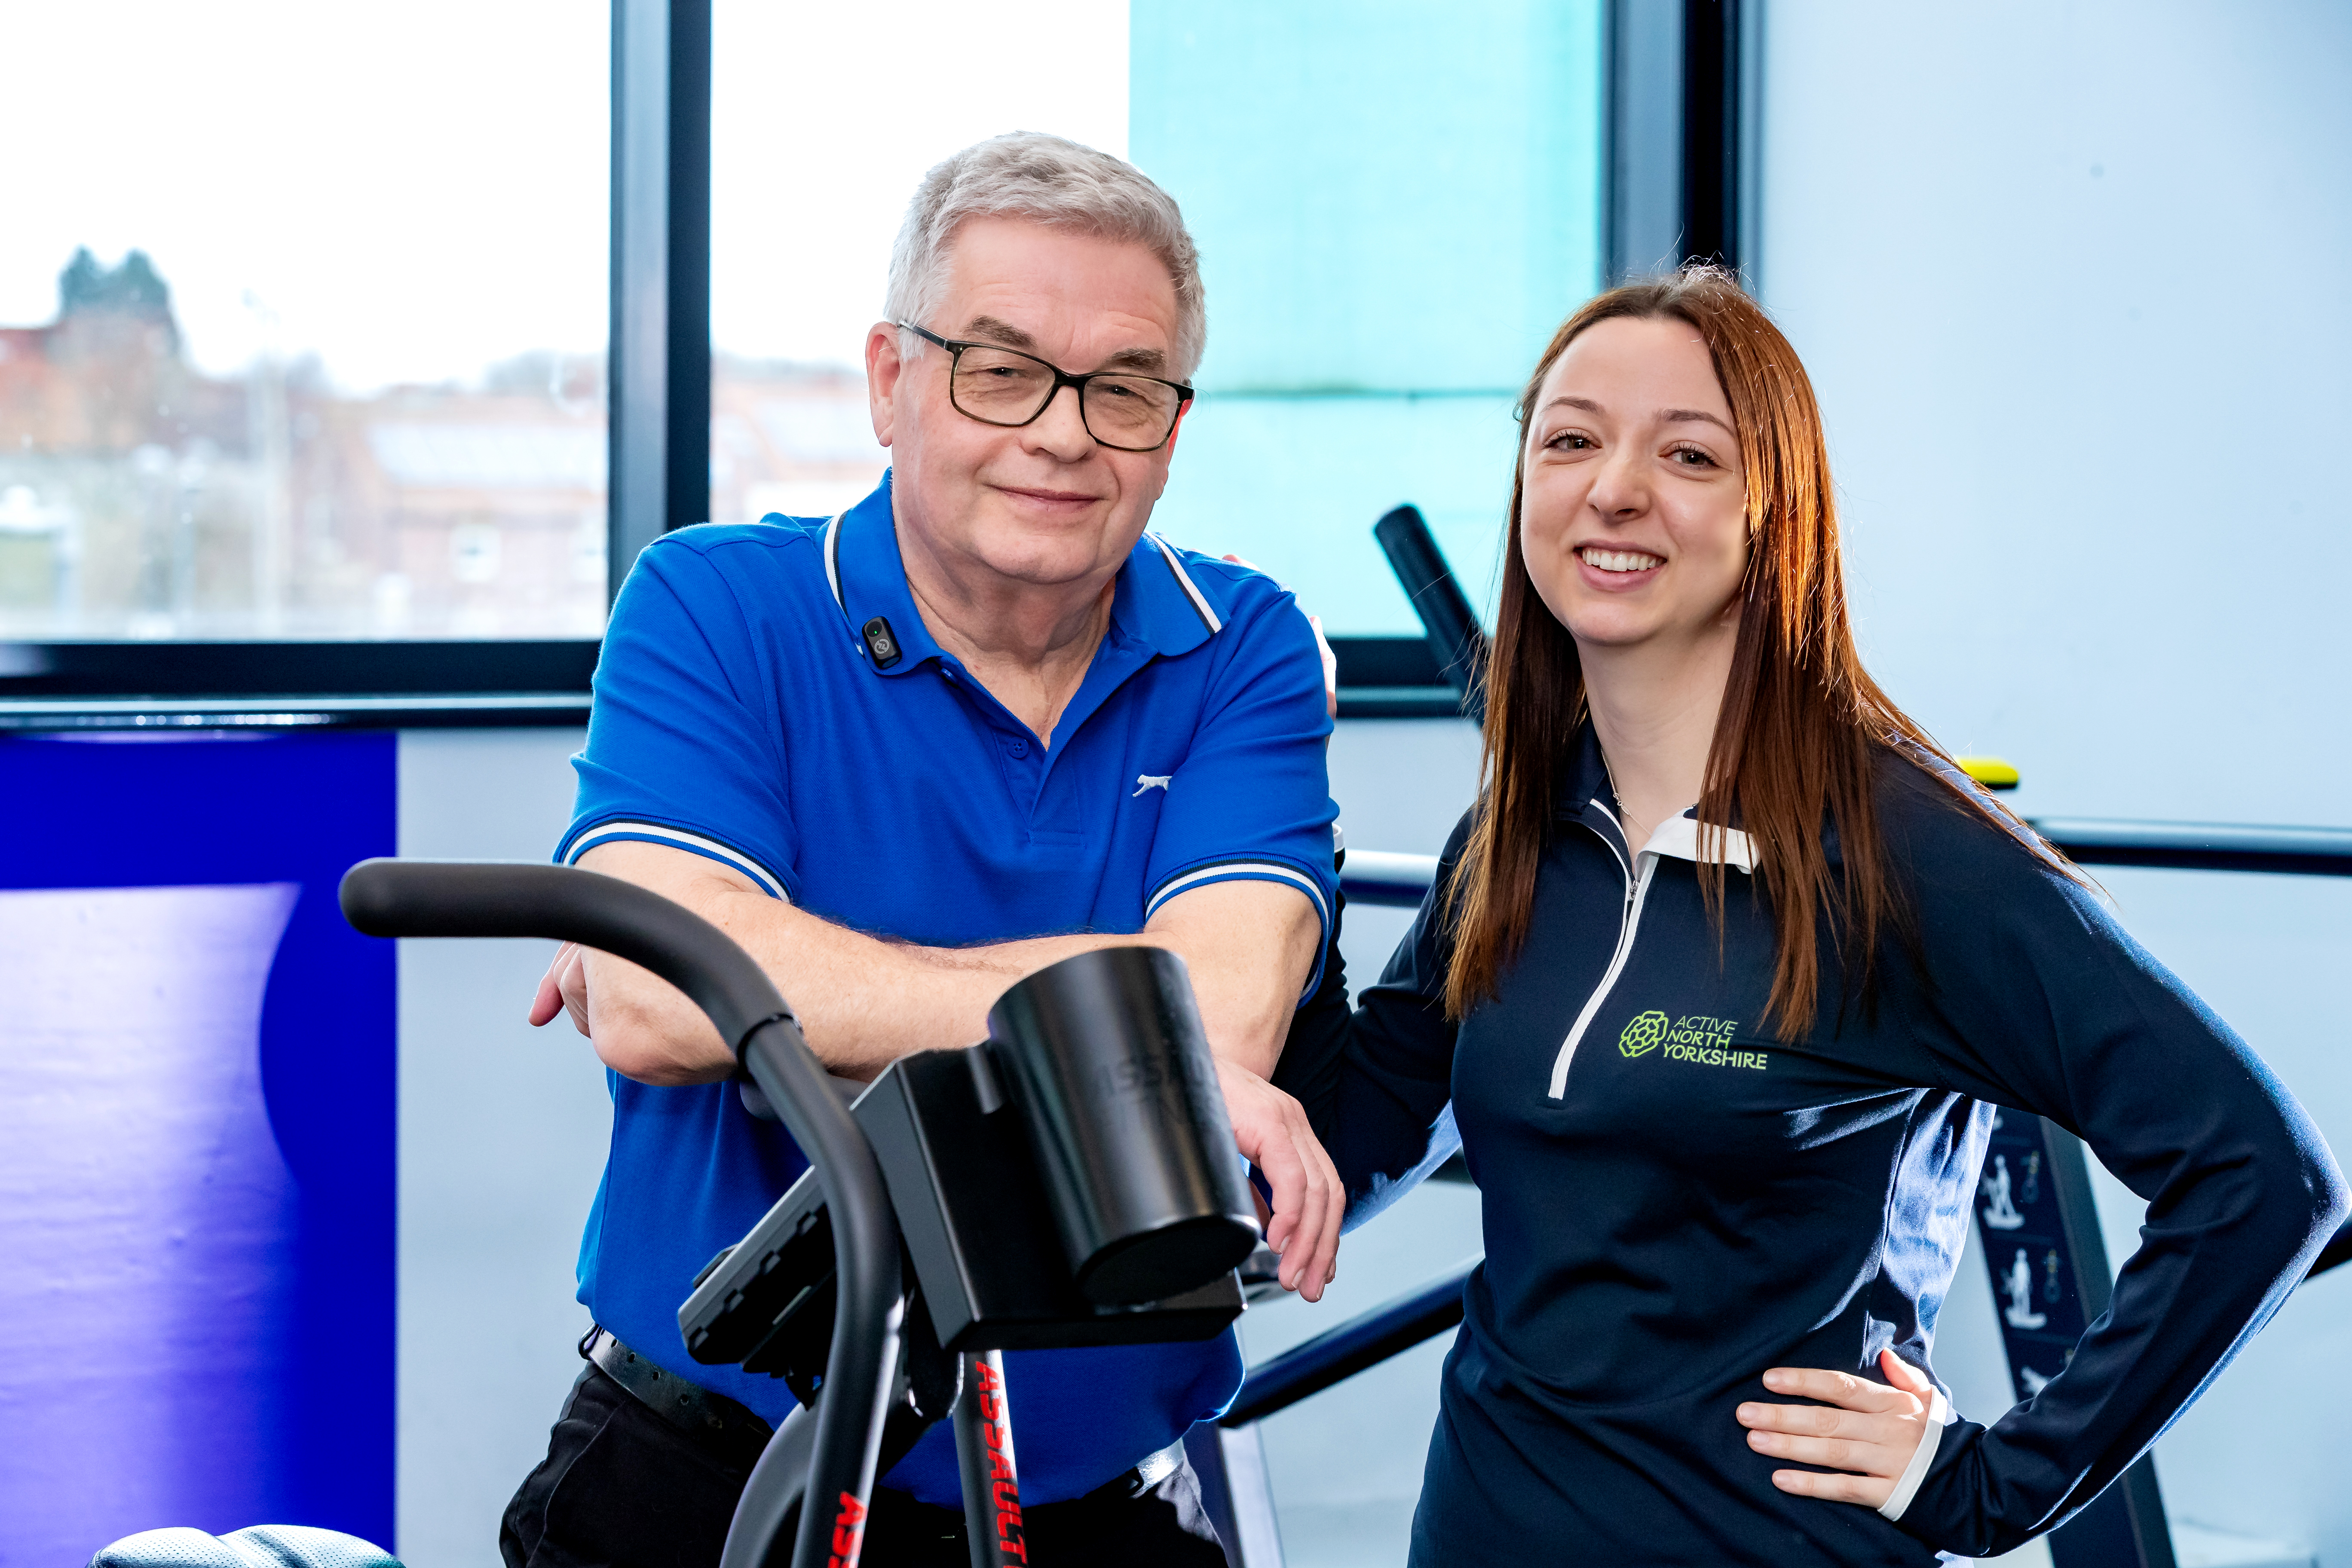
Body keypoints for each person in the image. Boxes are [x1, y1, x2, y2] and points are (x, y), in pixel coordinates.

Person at [1281, 268, 2349, 1565]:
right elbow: (1356, 1135)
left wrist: (1999, 1485)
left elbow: (2260, 1177)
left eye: (1686, 453)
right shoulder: (1519, 833)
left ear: (1774, 513)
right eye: (1571, 439)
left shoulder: (1912, 857)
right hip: (1484, 1530)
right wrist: (1279, 830)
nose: (1613, 487)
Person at [502, 133, 1346, 1568]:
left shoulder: (1244, 647)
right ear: (892, 380)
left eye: (1124, 387)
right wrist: (1105, 1008)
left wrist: (777, 988)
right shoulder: (719, 607)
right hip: (711, 1485)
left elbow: (1215, 1024)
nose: (1066, 432)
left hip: (1086, 1515)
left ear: (1172, 426)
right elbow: (653, 1003)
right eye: (1000, 368)